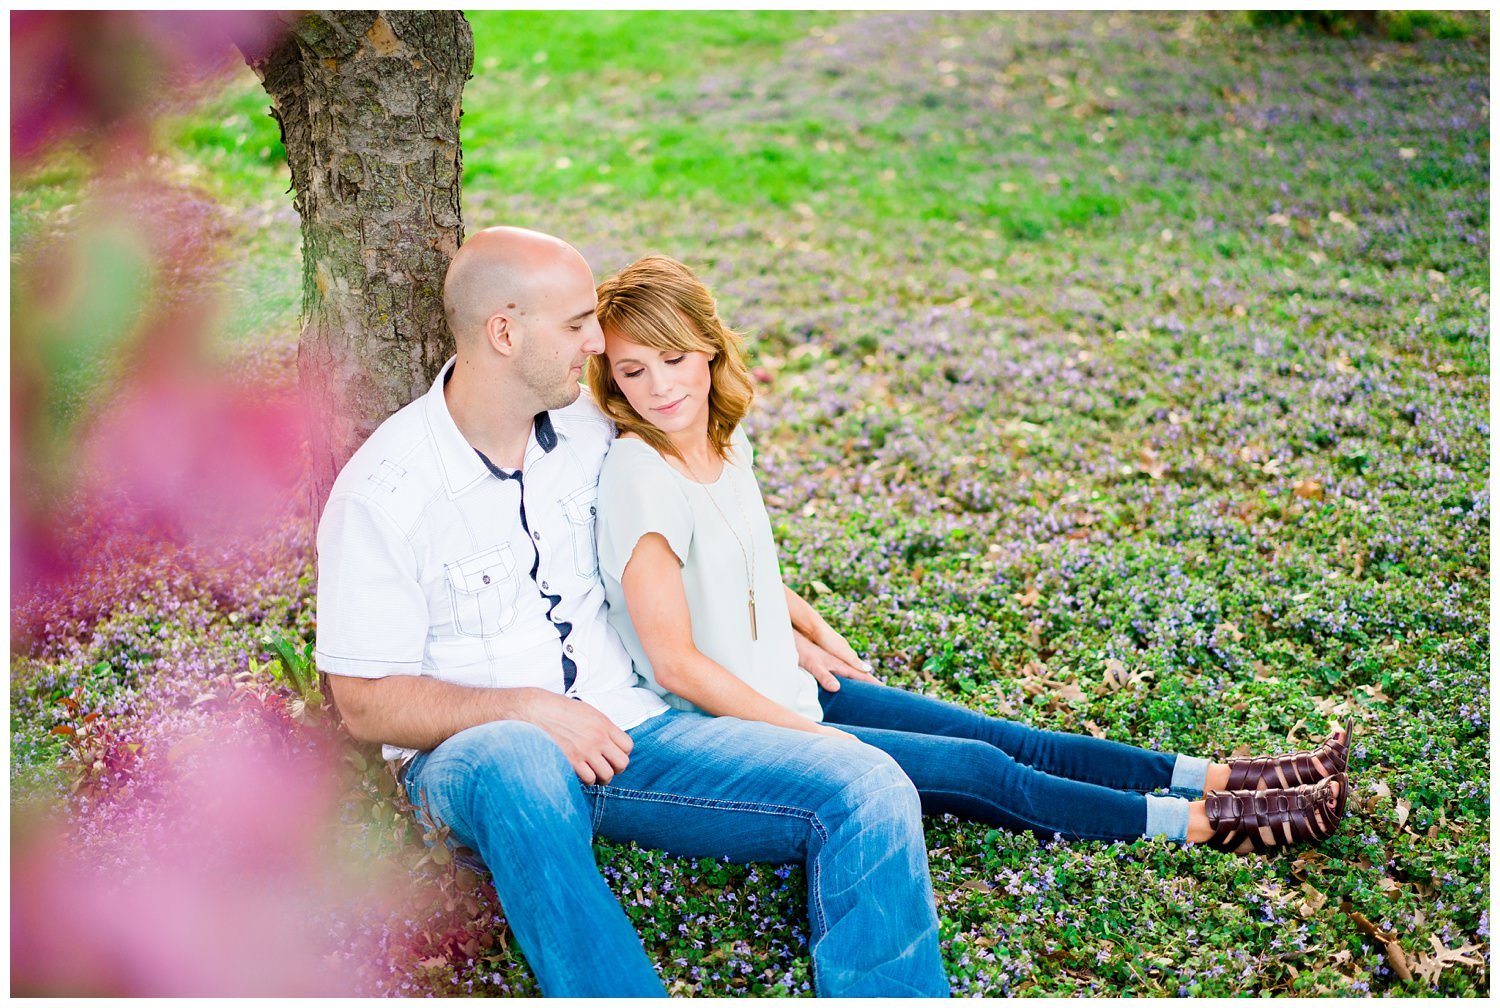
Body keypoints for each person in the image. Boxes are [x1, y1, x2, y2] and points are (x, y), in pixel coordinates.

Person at [313, 227, 950, 998]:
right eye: (578, 323)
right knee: (519, 758)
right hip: (480, 760)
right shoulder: (385, 492)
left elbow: (687, 536)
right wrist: (531, 710)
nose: (596, 342)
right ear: (505, 333)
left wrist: (774, 627)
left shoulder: (593, 430)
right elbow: (364, 704)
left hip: (642, 731)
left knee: (871, 781)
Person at [587, 254, 1351, 856]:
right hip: (747, 731)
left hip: (786, 685)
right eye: (633, 370)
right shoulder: (638, 473)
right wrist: (818, 739)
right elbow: (676, 664)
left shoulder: (725, 438)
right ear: (612, 379)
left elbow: (738, 560)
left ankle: (1235, 779)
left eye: (674, 358)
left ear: (710, 349)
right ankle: (1211, 825)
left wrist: (801, 627)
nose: (660, 387)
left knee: (997, 735)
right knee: (982, 773)